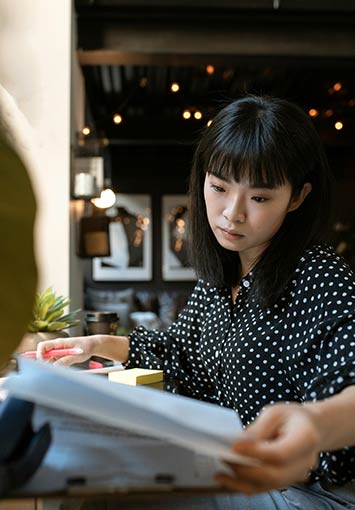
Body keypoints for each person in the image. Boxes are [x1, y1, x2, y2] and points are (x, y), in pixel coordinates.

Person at [37, 95, 355, 509]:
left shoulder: (319, 276)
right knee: (95, 480)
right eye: (219, 188)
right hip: (239, 471)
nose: (232, 213)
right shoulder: (220, 278)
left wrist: (314, 425)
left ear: (297, 197)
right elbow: (178, 352)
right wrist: (97, 346)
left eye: (259, 198)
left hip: (312, 493)